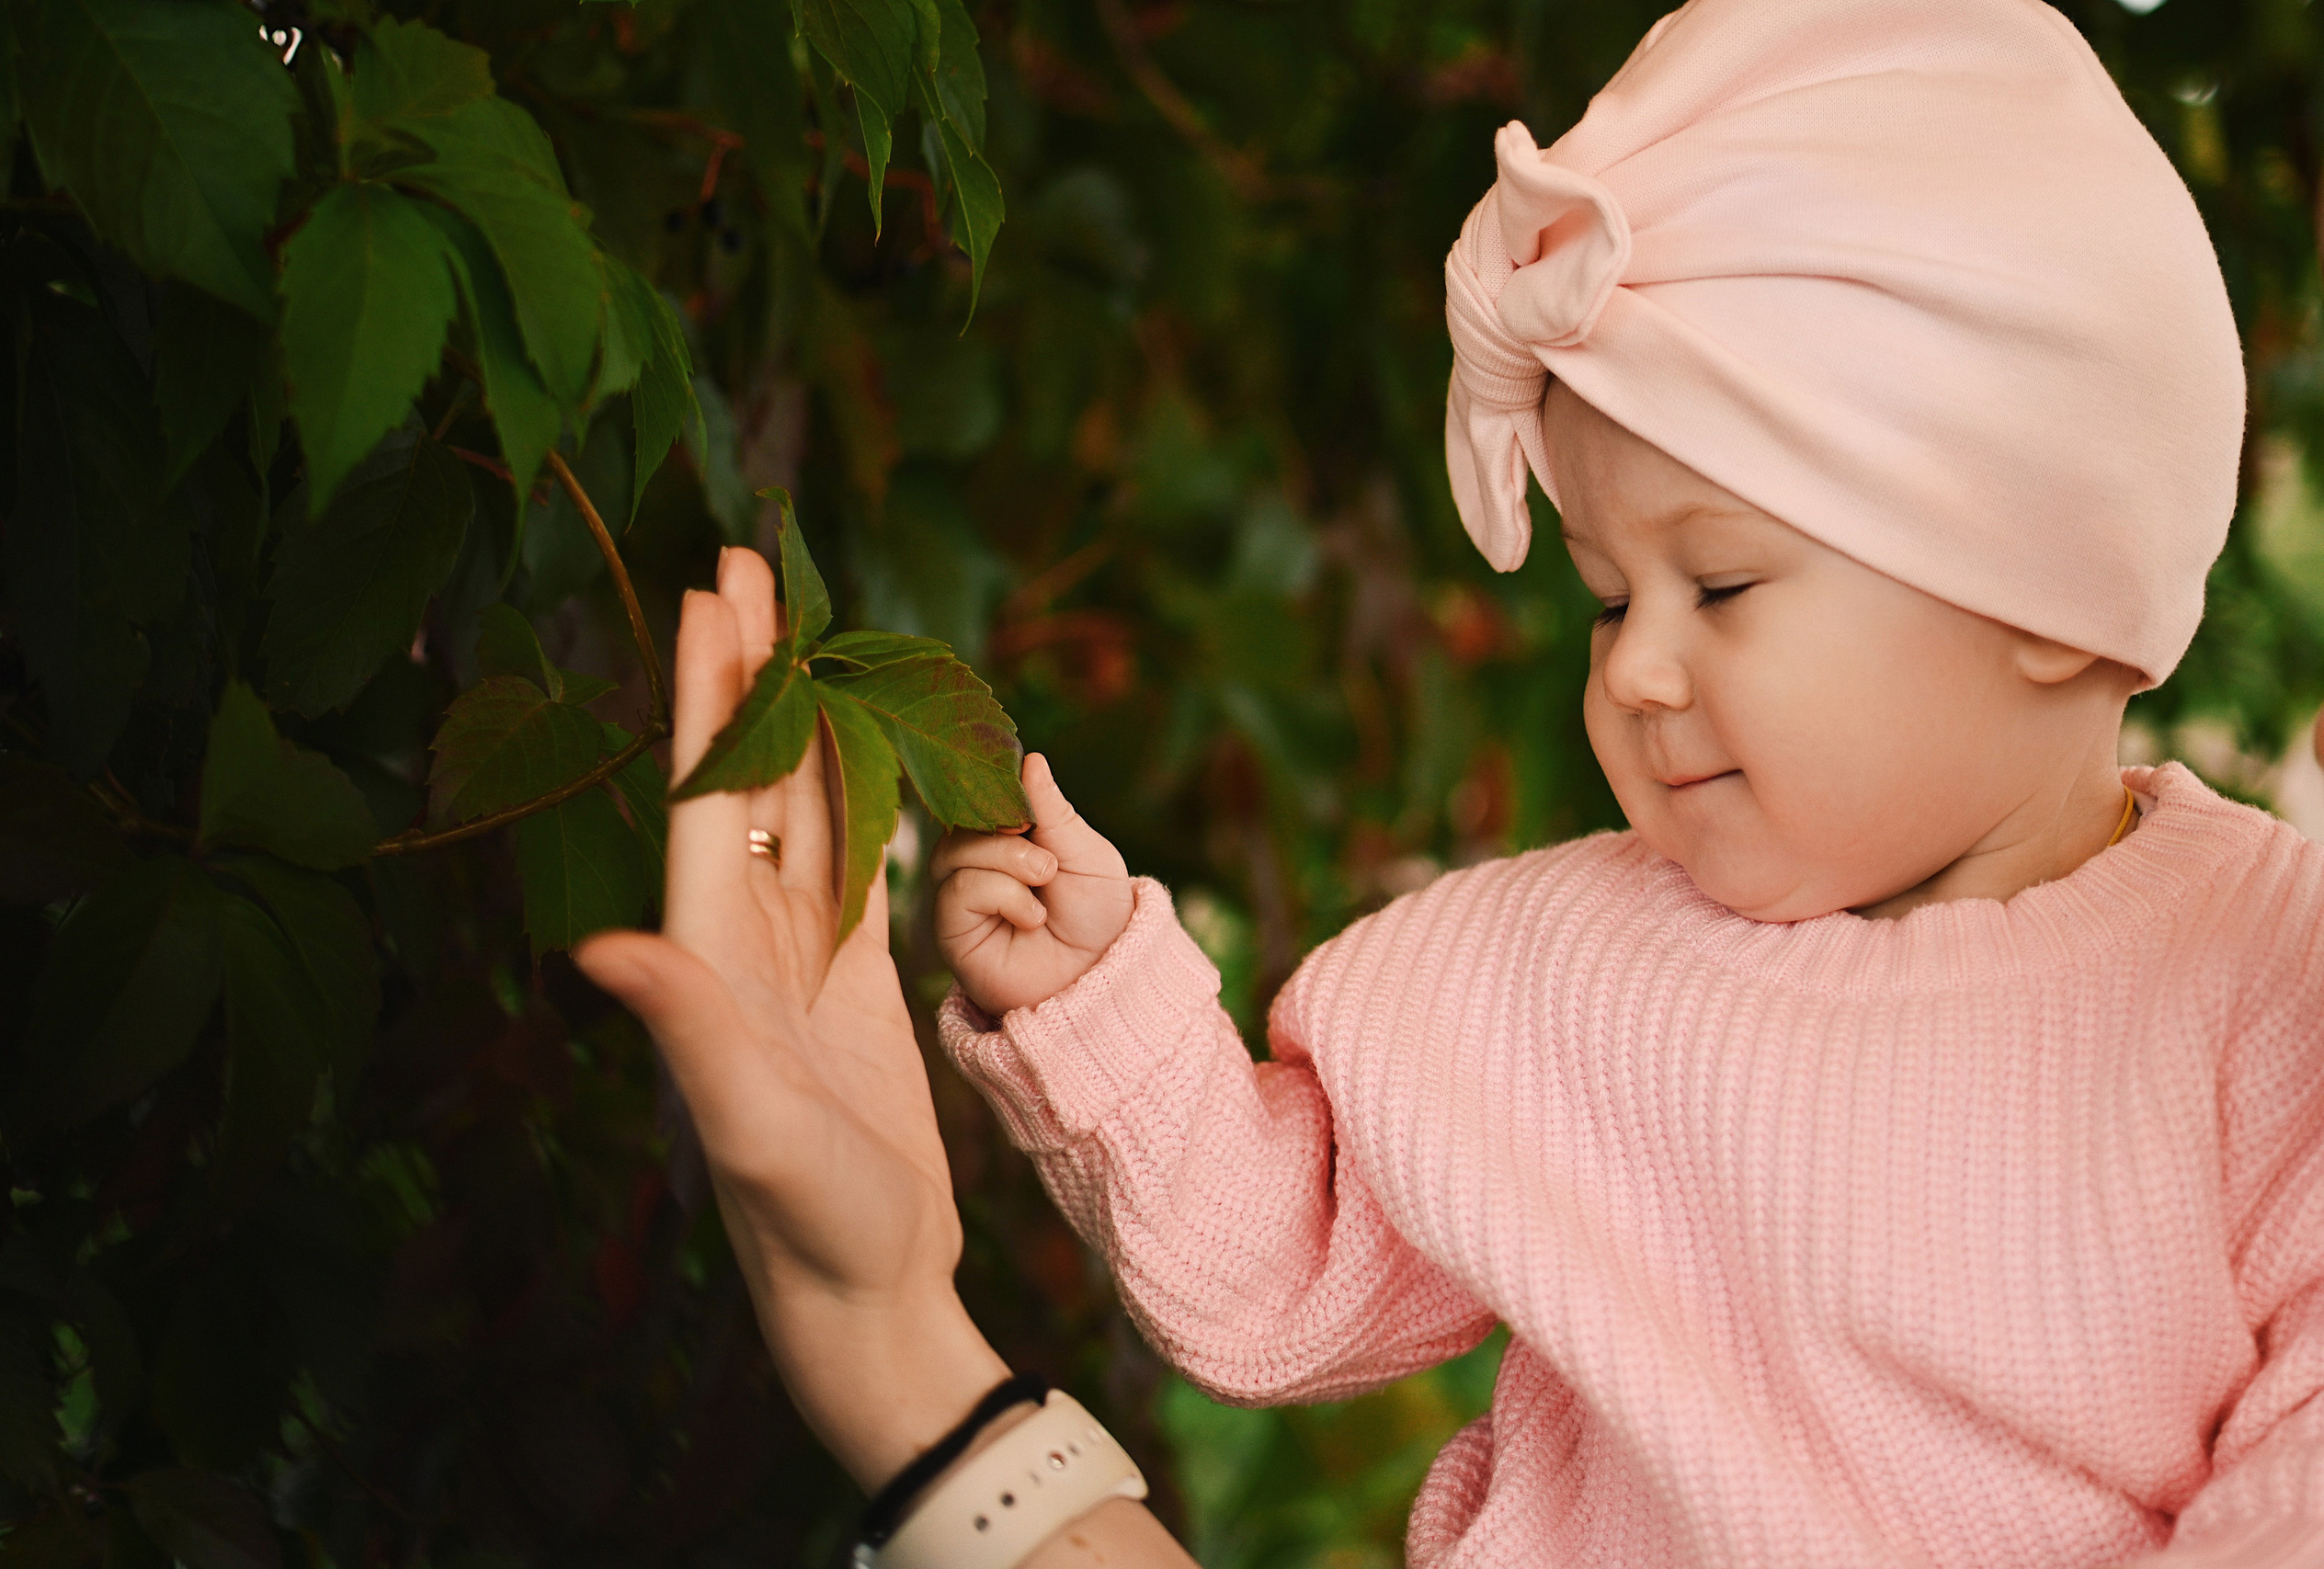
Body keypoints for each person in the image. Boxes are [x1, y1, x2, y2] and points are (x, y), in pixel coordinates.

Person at [582, 0, 2324, 1564]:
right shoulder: (1563, 966)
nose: (1636, 670)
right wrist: (1107, 1013)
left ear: (2046, 576)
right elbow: (1280, 1261)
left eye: (1719, 585)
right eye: (1600, 593)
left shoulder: (2265, 1002)